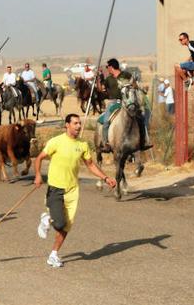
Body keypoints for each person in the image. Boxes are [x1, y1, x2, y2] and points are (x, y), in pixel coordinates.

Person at [34, 114, 116, 268]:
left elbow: (90, 165)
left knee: (66, 226)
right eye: (75, 123)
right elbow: (39, 158)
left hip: (72, 191)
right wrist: (38, 175)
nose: (78, 126)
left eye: (79, 123)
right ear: (67, 125)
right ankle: (47, 218)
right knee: (59, 222)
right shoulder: (56, 142)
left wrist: (105, 178)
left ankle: (53, 255)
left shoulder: (82, 145)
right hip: (55, 188)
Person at [99, 58, 151, 153]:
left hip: (128, 102)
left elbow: (135, 85)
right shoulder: (108, 79)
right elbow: (102, 90)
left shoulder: (126, 75)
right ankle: (106, 143)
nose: (107, 69)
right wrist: (98, 80)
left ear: (111, 67)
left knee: (141, 118)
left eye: (107, 67)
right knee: (106, 121)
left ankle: (143, 141)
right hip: (113, 103)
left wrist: (129, 86)